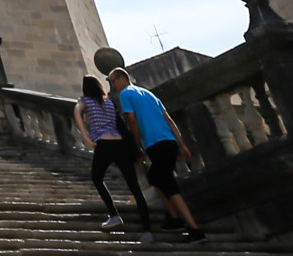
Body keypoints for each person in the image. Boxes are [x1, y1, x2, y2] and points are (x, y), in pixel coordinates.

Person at [109, 68, 204, 242]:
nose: (112, 85)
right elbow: (168, 119)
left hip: (155, 143)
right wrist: (181, 144)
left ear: (122, 78)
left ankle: (194, 228)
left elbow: (131, 121)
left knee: (169, 186)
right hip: (169, 142)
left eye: (112, 81)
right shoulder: (149, 94)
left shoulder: (125, 94)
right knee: (154, 177)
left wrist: (136, 146)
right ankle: (174, 218)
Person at [72, 74, 149, 235]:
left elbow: (77, 111)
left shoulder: (85, 101)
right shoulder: (109, 102)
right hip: (120, 144)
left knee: (97, 177)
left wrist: (86, 137)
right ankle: (147, 231)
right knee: (134, 188)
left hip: (104, 144)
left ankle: (114, 215)